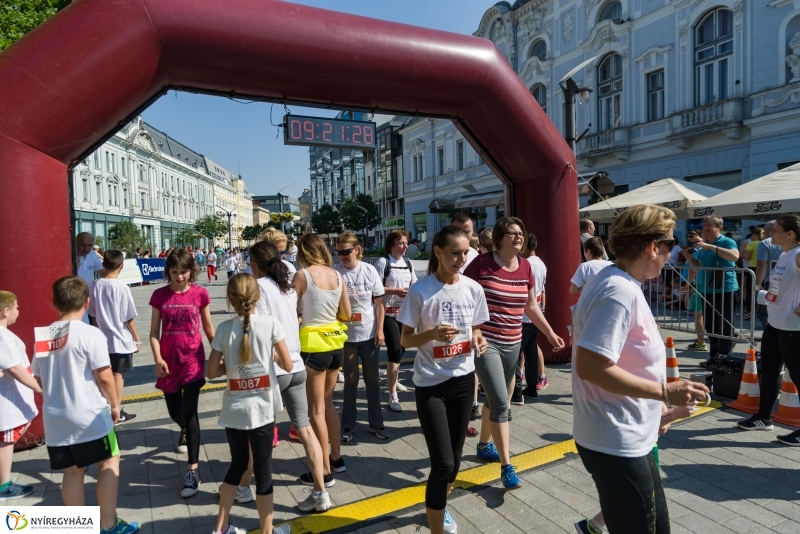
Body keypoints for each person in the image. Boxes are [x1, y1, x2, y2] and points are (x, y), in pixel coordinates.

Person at [572, 204, 709, 534]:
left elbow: (622, 359)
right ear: (653, 246)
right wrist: (663, 391)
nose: (671, 252)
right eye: (670, 243)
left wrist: (658, 407)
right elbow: (590, 367)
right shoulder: (618, 291)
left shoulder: (618, 281)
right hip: (616, 440)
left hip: (628, 434)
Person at [397, 225, 489, 534]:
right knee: (443, 464)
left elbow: (476, 328)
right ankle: (436, 527)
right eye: (455, 253)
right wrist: (432, 334)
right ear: (437, 252)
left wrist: (478, 339)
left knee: (458, 456)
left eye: (465, 252)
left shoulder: (473, 289)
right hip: (430, 385)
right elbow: (406, 340)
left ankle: (440, 507)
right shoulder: (420, 291)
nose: (462, 259)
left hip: (464, 382)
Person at [464, 217, 564, 490]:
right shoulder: (482, 264)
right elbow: (463, 297)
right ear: (499, 238)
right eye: (512, 233)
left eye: (521, 233)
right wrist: (473, 329)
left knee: (497, 401)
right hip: (487, 343)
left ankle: (485, 445)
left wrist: (549, 332)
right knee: (501, 402)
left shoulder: (527, 267)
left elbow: (531, 306)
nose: (519, 237)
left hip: (514, 343)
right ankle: (507, 466)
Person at [33, 277, 139, 534]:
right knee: (109, 462)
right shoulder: (91, 334)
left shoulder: (45, 335)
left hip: (56, 416)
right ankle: (108, 524)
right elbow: (104, 376)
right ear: (86, 302)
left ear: (54, 303)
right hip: (89, 414)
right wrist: (115, 405)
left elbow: (38, 377)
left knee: (71, 472)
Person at [206, 274, 293, 534]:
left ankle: (221, 528)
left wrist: (231, 367)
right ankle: (267, 531)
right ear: (258, 297)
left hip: (234, 410)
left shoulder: (223, 329)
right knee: (263, 469)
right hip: (263, 409)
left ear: (230, 300)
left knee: (238, 463)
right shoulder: (270, 325)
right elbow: (288, 365)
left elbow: (211, 372)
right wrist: (273, 356)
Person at [249, 241, 332, 511]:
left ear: (255, 263)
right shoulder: (286, 286)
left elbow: (257, 331)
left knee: (260, 432)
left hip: (274, 368)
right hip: (296, 365)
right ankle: (321, 492)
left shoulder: (259, 287)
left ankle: (241, 487)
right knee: (305, 428)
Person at [149, 249, 215, 498]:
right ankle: (185, 430)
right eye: (174, 272)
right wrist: (157, 359)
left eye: (183, 272)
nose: (179, 277)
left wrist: (220, 354)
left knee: (190, 412)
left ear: (192, 270)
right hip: (168, 361)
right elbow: (154, 332)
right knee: (174, 411)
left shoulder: (200, 293)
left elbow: (208, 327)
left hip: (193, 359)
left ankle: (193, 470)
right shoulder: (159, 295)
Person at [574, 404, 695, 534]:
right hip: (632, 451)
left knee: (630, 498)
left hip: (644, 447)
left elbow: (661, 419)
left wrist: (668, 413)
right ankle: (593, 525)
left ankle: (593, 525)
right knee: (633, 500)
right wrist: (674, 414)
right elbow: (651, 425)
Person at [293, 234, 351, 484]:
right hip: (336, 343)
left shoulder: (303, 276)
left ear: (303, 252)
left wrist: (303, 317)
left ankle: (324, 470)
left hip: (313, 347)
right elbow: (347, 314)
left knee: (315, 410)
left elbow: (290, 309)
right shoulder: (337, 275)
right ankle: (336, 458)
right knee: (328, 404)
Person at [737, 214, 800, 444]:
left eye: (776, 230)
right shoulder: (784, 254)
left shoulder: (797, 254)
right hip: (776, 324)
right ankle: (764, 418)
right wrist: (767, 296)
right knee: (770, 372)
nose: (771, 232)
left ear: (790, 234)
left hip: (794, 328)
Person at [334, 232, 387, 441]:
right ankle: (347, 426)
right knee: (350, 380)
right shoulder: (335, 273)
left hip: (369, 334)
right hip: (346, 337)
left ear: (357, 249)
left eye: (346, 252)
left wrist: (380, 329)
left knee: (372, 381)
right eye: (338, 252)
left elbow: (379, 303)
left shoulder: (369, 271)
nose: (342, 256)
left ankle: (377, 424)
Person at [89, 250, 141, 424]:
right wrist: (136, 338)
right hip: (120, 339)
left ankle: (108, 406)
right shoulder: (122, 288)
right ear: (121, 266)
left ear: (103, 265)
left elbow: (94, 315)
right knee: (119, 375)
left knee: (105, 374)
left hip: (102, 338)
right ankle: (116, 408)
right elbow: (128, 317)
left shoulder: (95, 285)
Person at [683, 215, 739, 368]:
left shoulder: (727, 241)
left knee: (725, 327)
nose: (705, 228)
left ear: (718, 227)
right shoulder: (704, 244)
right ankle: (714, 358)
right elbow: (698, 266)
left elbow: (735, 256)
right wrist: (689, 258)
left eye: (708, 225)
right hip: (707, 290)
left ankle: (724, 360)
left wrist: (712, 248)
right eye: (704, 225)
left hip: (725, 289)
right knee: (711, 326)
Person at [0, 291, 40, 501]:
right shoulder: (2, 336)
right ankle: (3, 485)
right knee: (6, 440)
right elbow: (14, 368)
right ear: (5, 311)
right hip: (7, 400)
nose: (19, 311)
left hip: (12, 398)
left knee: (10, 436)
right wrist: (39, 387)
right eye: (16, 307)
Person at [374, 230, 417, 411]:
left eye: (406, 243)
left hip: (404, 313)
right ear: (392, 244)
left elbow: (414, 283)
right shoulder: (383, 262)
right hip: (388, 313)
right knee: (395, 351)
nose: (405, 246)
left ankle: (394, 380)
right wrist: (395, 292)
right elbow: (375, 288)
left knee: (403, 347)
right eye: (401, 243)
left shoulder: (408, 263)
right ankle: (393, 395)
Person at [518, 232, 549, 401]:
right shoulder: (541, 264)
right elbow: (543, 289)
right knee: (531, 351)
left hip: (523, 313)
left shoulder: (524, 264)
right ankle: (531, 386)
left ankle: (515, 387)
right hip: (536, 311)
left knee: (516, 353)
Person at [682, 231, 708, 351]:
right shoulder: (706, 246)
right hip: (707, 283)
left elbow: (694, 269)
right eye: (688, 236)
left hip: (702, 283)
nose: (690, 238)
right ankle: (728, 336)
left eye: (692, 235)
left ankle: (701, 342)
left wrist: (686, 284)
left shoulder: (698, 248)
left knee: (698, 314)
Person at [755, 221, 783, 329]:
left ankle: (771, 333)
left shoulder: (765, 243)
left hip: (771, 284)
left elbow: (762, 264)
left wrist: (758, 285)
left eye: (765, 230)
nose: (763, 232)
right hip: (781, 283)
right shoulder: (789, 245)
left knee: (763, 310)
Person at [76, 232, 104, 324]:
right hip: (74, 296)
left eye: (89, 245)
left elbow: (103, 272)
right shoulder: (69, 255)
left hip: (88, 296)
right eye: (83, 245)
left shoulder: (92, 254)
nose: (86, 248)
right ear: (76, 243)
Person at [743, 227, 763, 319]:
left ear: (755, 235)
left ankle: (750, 312)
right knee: (761, 290)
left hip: (752, 268)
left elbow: (747, 257)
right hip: (763, 269)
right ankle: (762, 310)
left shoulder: (752, 243)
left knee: (750, 290)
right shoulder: (765, 243)